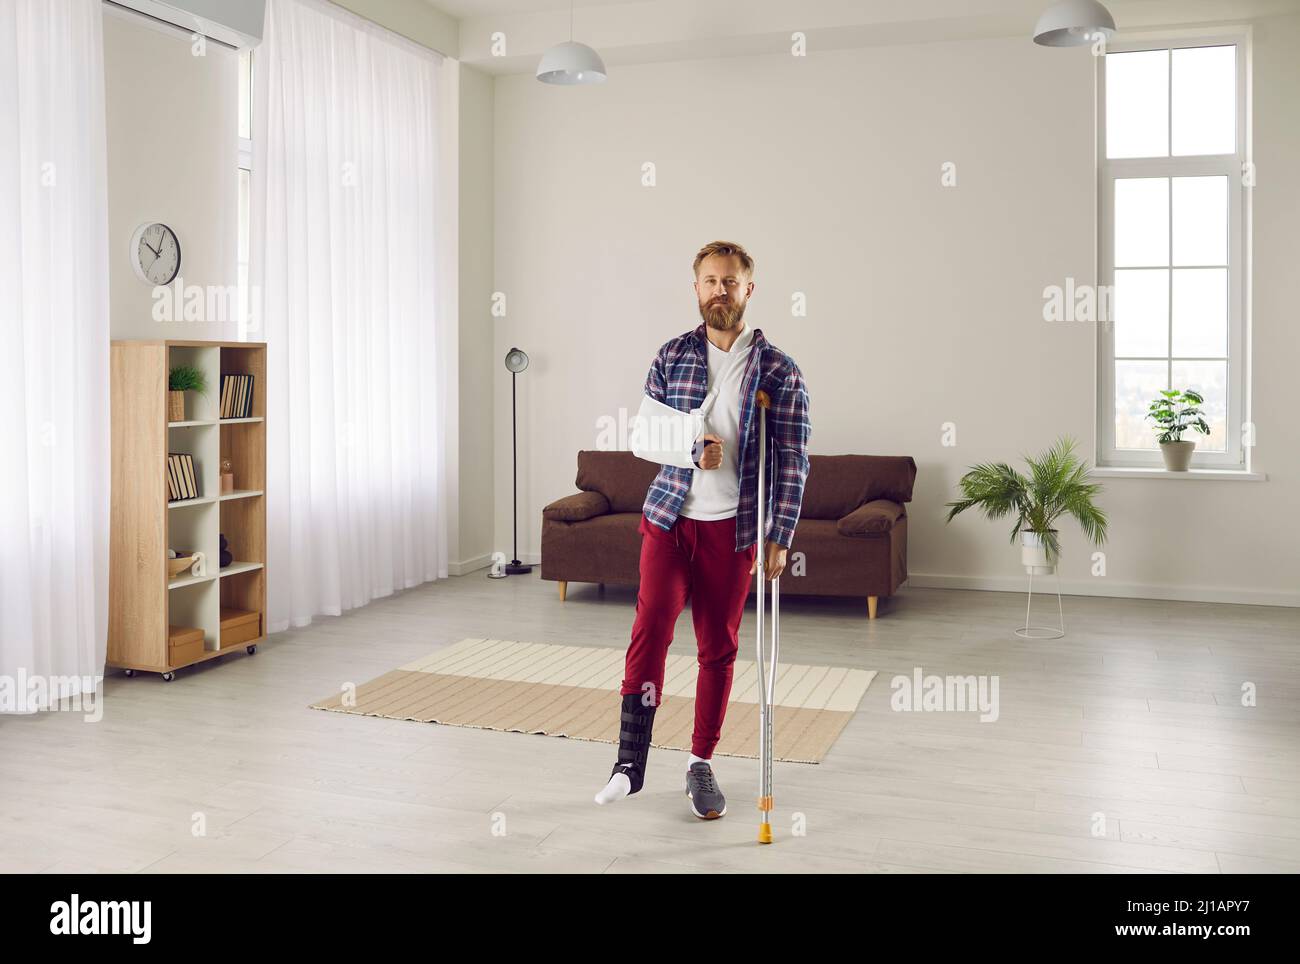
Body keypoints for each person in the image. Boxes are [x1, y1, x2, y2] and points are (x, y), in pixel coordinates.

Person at [594, 240, 811, 818]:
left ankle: (700, 764)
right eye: (710, 280)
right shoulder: (671, 356)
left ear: (748, 290)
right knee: (651, 628)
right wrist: (692, 452)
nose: (721, 290)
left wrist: (780, 534)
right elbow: (643, 438)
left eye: (731, 281)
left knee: (718, 647)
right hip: (669, 519)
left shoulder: (778, 371)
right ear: (696, 288)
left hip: (732, 532)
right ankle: (628, 763)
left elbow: (793, 458)